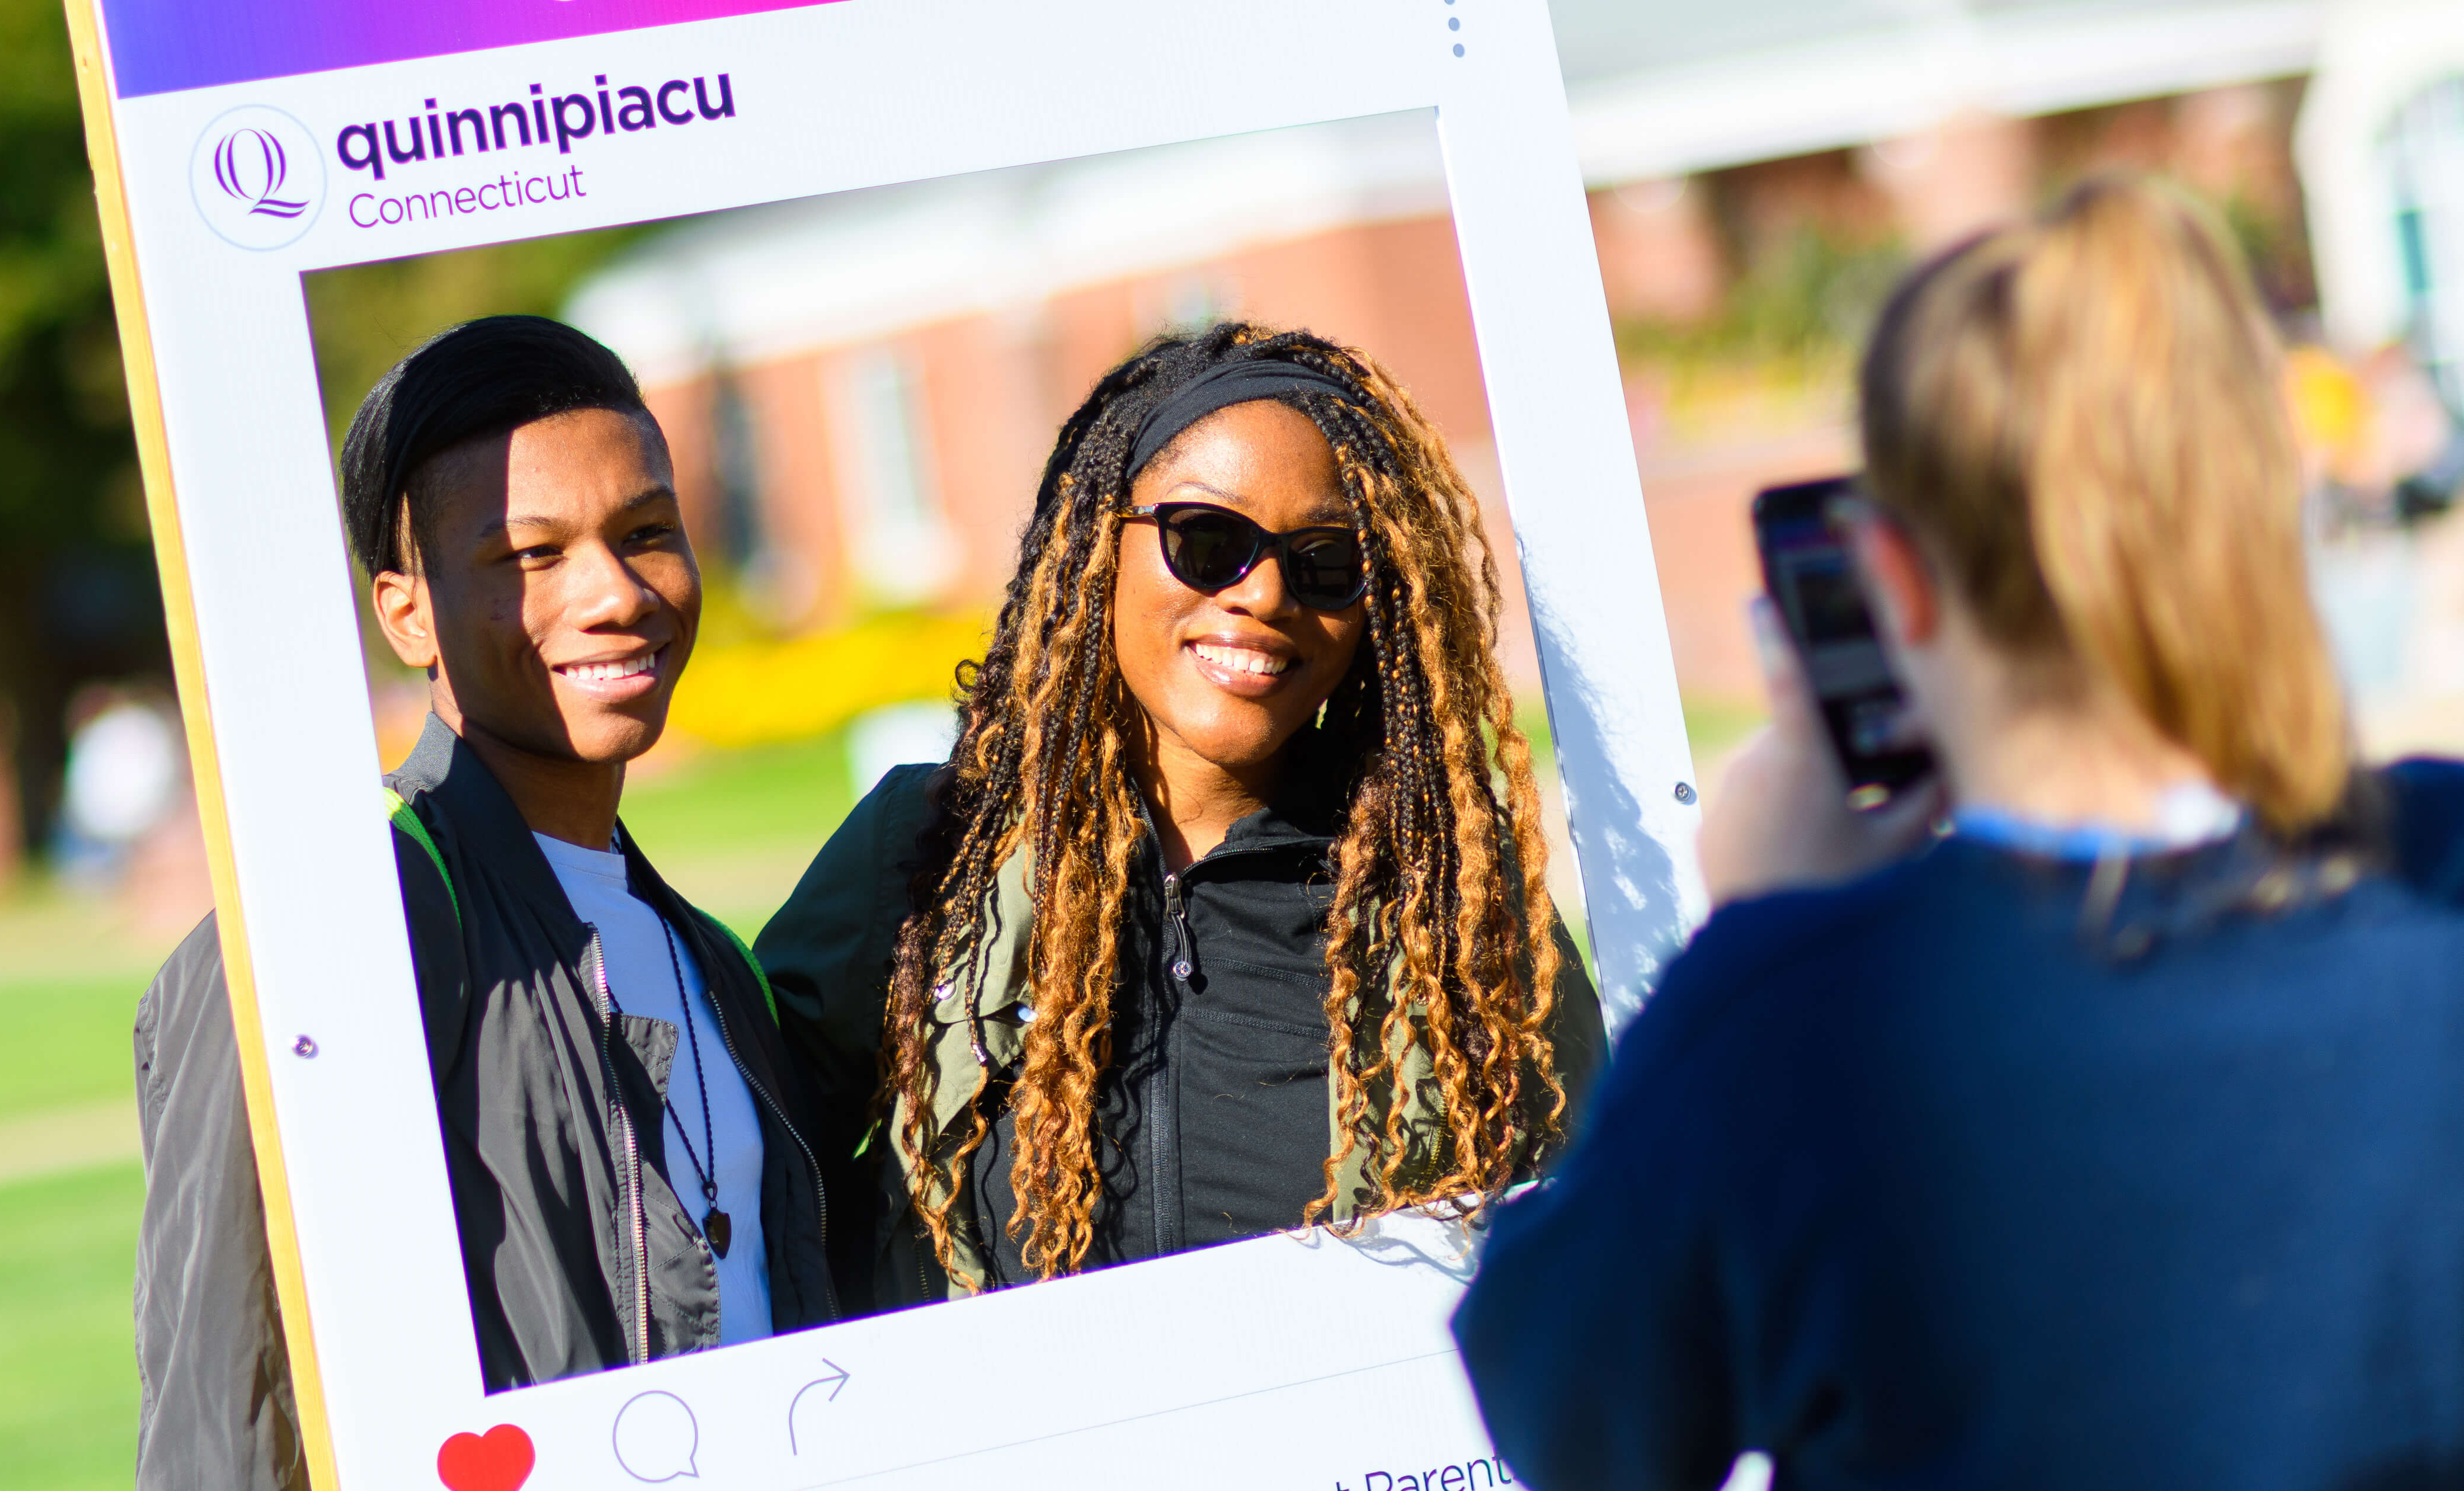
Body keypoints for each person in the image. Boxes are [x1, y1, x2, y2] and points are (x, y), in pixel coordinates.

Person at [1452, 177, 2464, 1489]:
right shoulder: (2433, 869)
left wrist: (1757, 934)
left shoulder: (1788, 1031)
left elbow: (1568, 1417)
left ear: (1890, 578)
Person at [758, 322, 1604, 1309]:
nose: (1265, 594)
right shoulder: (930, 854)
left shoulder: (1449, 902)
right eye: (1208, 541)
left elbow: (1595, 1249)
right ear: (1099, 547)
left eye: (1327, 561)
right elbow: (742, 1188)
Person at [133, 316, 837, 1490]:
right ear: (406, 613)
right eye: (529, 555)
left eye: (645, 533)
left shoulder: (714, 962)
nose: (614, 594)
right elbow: (227, 1416)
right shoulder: (340, 933)